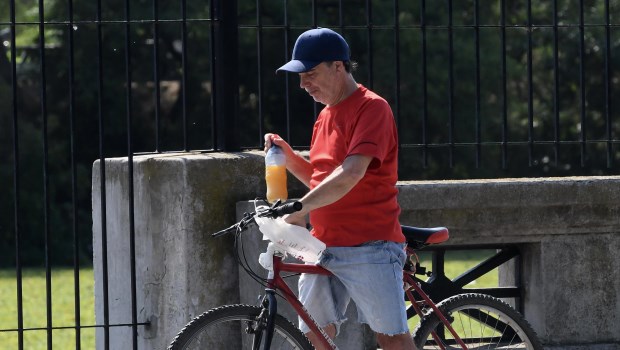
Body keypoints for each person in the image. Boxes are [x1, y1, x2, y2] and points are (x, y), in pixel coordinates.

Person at [264, 27, 416, 350]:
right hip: (323, 245)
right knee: (315, 333)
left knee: (392, 339)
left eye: (310, 74)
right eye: (300, 77)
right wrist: (290, 159)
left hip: (370, 245)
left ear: (339, 66)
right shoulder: (324, 117)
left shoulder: (372, 108)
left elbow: (350, 174)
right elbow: (323, 180)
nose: (304, 85)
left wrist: (298, 209)